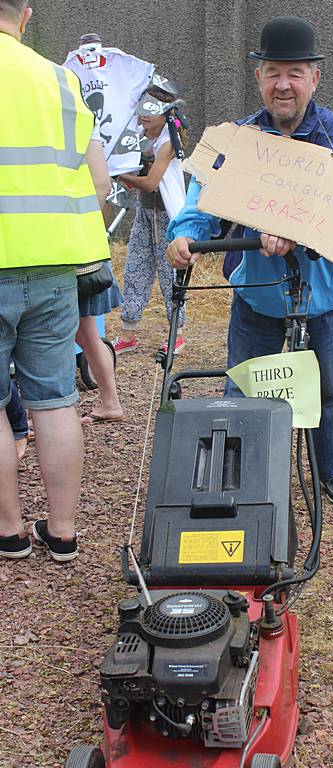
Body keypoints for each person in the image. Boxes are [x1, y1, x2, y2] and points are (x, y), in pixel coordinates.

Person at [167, 15, 333, 504]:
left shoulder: (332, 132)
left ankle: (327, 467)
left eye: (295, 73)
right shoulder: (236, 139)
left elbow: (330, 199)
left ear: (315, 77)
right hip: (257, 293)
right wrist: (186, 237)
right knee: (245, 387)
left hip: (324, 293)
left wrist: (294, 229)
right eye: (274, 72)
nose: (284, 84)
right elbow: (200, 198)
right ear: (259, 78)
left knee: (329, 389)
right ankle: (245, 480)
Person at [0, 0, 110, 560]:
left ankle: (9, 531)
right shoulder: (63, 82)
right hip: (54, 267)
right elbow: (99, 187)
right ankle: (63, 532)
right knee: (55, 400)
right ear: (27, 15)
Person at [112, 88, 188, 356]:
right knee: (135, 269)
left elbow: (151, 182)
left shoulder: (168, 141)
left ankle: (176, 334)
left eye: (150, 110)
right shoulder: (140, 137)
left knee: (171, 274)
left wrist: (120, 176)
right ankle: (127, 333)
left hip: (168, 216)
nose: (143, 115)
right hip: (146, 214)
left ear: (165, 113)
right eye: (141, 109)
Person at [76, 121, 124, 424]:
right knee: (87, 334)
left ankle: (110, 401)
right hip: (87, 244)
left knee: (48, 337)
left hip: (66, 249)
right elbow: (102, 186)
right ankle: (110, 401)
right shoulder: (80, 119)